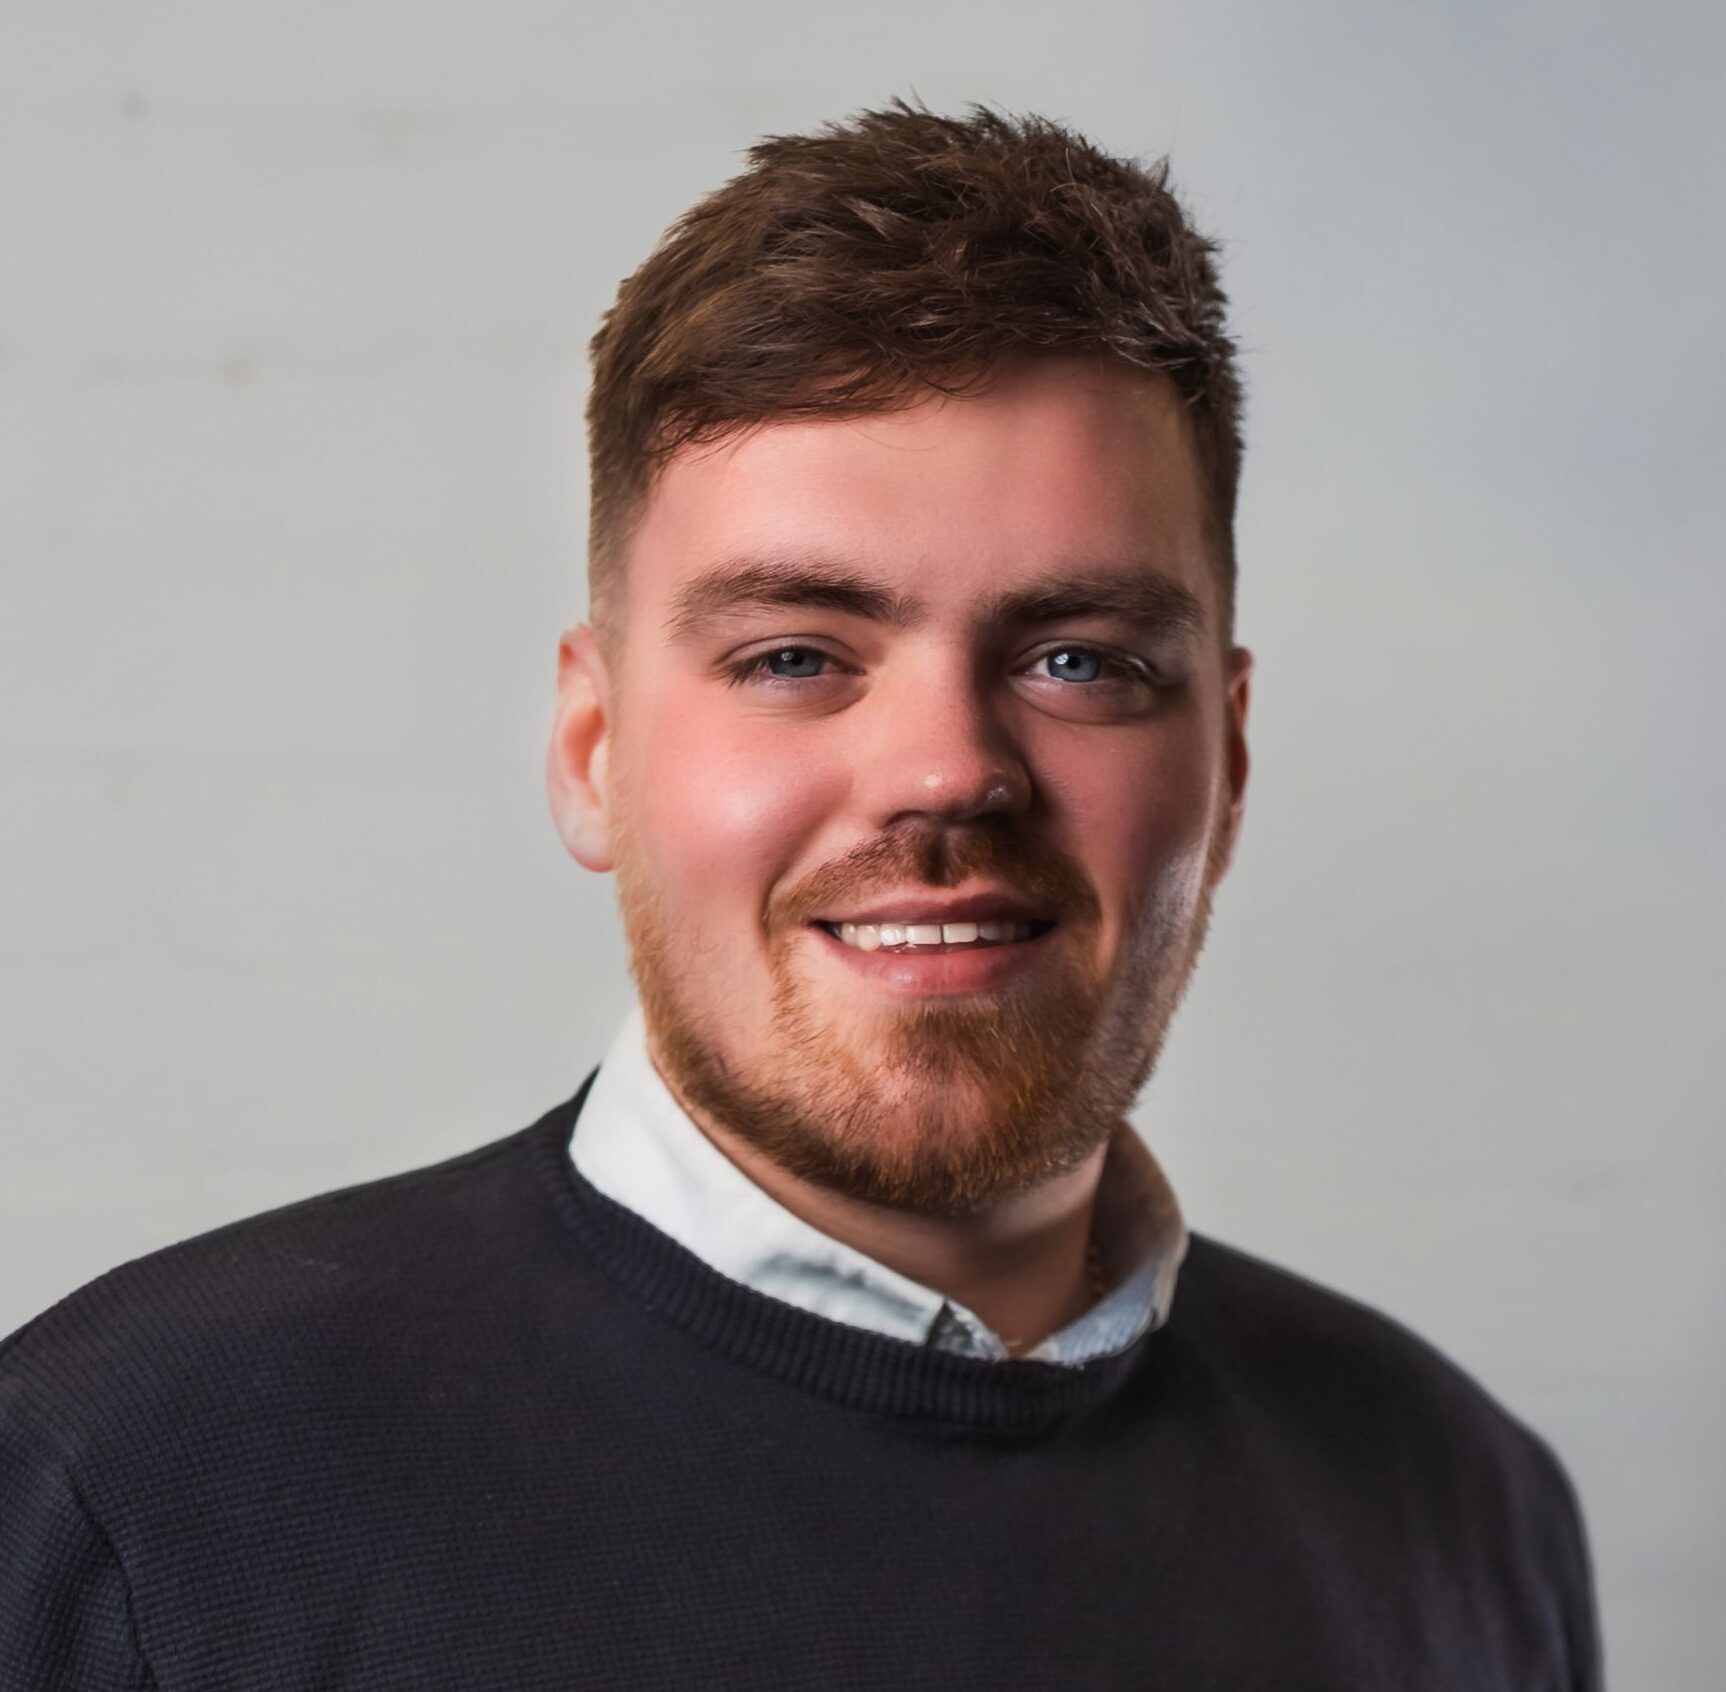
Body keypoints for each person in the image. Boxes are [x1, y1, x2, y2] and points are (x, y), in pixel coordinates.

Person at [0, 101, 1602, 1689]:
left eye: (1077, 661)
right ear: (593, 752)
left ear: (1227, 764)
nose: (946, 772)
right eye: (791, 656)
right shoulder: (127, 1499)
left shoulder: (1460, 1513)